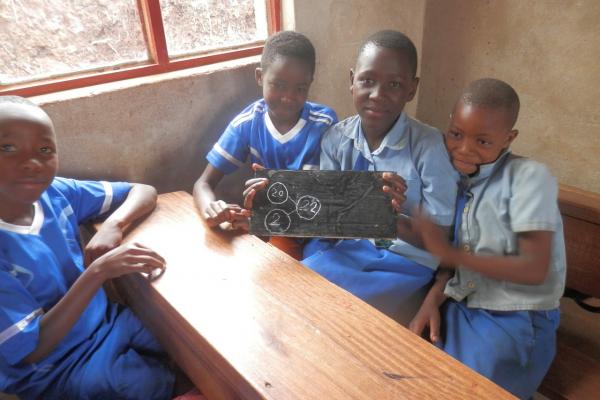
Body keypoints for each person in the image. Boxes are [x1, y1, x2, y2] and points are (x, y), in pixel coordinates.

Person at [249, 30, 457, 323]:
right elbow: (329, 217)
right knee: (284, 290)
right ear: (352, 80)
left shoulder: (429, 147)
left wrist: (381, 215)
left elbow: (439, 240)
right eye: (367, 81)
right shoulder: (336, 138)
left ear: (412, 89)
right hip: (348, 248)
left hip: (405, 263)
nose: (377, 95)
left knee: (329, 312)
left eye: (395, 85)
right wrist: (272, 202)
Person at [0, 96, 178, 399]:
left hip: (107, 322)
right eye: (7, 148)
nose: (31, 162)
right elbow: (33, 349)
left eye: (45, 149)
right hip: (55, 366)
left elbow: (143, 191)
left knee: (186, 343)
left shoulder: (56, 192)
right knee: (134, 386)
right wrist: (98, 272)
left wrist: (114, 224)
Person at [409, 78, 565, 399]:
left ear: (509, 138)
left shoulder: (529, 181)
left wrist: (450, 256)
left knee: (468, 386)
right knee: (412, 362)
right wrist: (433, 299)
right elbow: (453, 256)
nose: (464, 148)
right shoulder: (458, 180)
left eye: (482, 141)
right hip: (464, 302)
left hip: (518, 317)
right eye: (456, 134)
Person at [193, 30, 337, 236]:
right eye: (278, 85)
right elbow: (203, 183)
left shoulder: (324, 125)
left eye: (300, 88)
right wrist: (211, 208)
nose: (288, 97)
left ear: (310, 83)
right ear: (260, 77)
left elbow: (319, 203)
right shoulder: (249, 122)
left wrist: (263, 219)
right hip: (267, 226)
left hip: (311, 231)